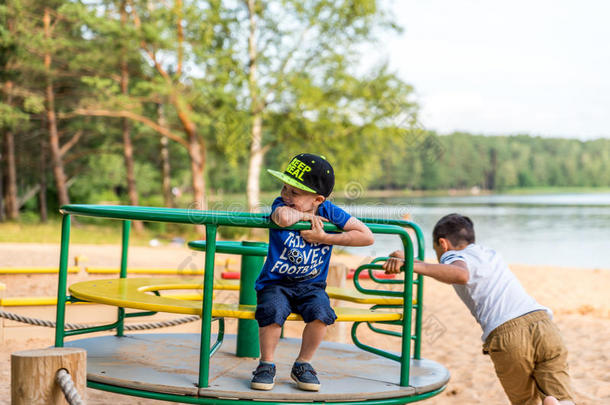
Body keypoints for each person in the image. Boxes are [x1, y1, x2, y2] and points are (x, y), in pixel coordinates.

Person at [383, 213, 575, 405]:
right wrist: (411, 260)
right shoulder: (488, 253)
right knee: (561, 396)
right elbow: (450, 266)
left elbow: (460, 273)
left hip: (508, 333)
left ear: (443, 243)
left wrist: (410, 264)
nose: (440, 258)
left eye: (436, 251)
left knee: (525, 401)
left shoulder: (451, 255)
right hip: (543, 323)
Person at [251, 153, 374, 392]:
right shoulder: (282, 204)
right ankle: (266, 364)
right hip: (276, 283)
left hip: (311, 285)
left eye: (294, 193)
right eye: (284, 188)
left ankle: (303, 363)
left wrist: (324, 236)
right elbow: (283, 218)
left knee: (322, 314)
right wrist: (306, 216)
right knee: (271, 311)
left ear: (318, 199)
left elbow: (366, 236)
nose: (286, 195)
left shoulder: (329, 211)